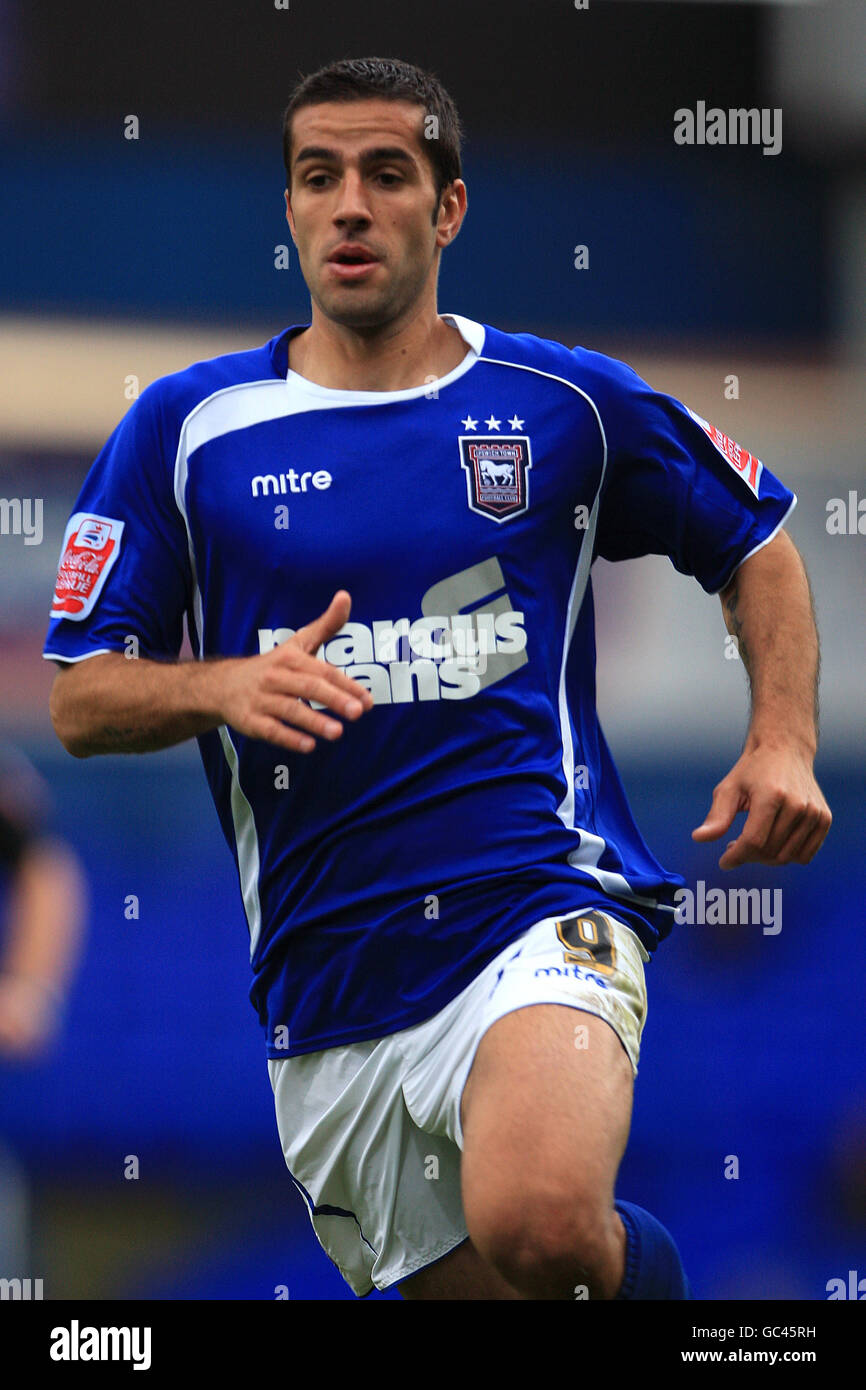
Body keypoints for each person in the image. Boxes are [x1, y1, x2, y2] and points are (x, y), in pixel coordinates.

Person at [43, 56, 831, 1301]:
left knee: (541, 1223)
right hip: (327, 991)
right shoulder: (185, 429)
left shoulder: (558, 401)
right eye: (318, 177)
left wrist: (781, 738)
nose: (349, 204)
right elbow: (79, 699)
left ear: (447, 207)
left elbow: (756, 540)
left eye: (385, 174)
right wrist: (219, 689)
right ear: (290, 210)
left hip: (533, 906)